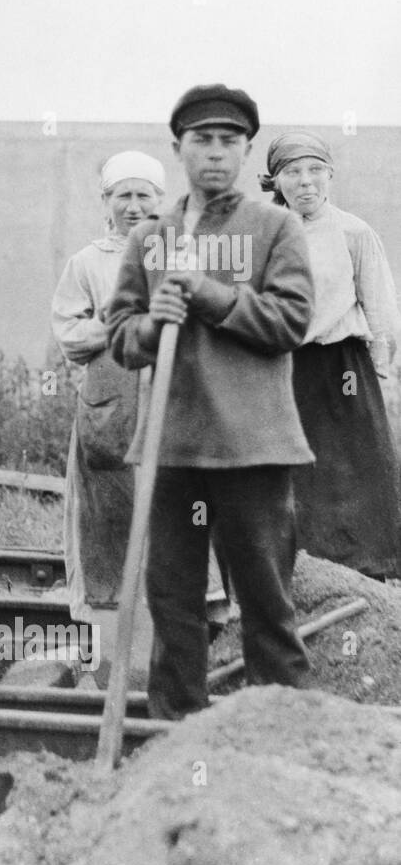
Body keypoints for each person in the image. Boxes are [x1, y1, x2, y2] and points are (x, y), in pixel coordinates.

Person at [105, 84, 314, 720]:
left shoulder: (275, 227)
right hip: (171, 448)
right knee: (173, 606)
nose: (216, 153)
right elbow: (120, 335)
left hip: (253, 449)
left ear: (247, 152)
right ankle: (176, 740)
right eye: (202, 141)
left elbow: (291, 321)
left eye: (229, 141)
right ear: (179, 150)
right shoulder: (151, 237)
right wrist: (148, 325)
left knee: (266, 604)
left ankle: (280, 735)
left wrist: (210, 296)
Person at [260, 131, 401, 579]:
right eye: (293, 172)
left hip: (343, 366)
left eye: (315, 170)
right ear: (276, 180)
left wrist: (383, 370)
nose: (305, 182)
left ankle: (371, 568)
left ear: (330, 176)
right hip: (284, 367)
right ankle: (304, 571)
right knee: (294, 469)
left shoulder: (353, 231)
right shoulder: (262, 233)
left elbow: (380, 308)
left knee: (355, 464)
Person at [51, 151, 165, 620]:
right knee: (110, 505)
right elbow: (70, 335)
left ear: (161, 200)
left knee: (175, 499)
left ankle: (181, 614)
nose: (133, 206)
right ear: (106, 202)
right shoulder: (86, 262)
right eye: (124, 195)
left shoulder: (183, 253)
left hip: (169, 390)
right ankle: (112, 620)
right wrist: (120, 326)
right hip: (109, 396)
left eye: (144, 195)